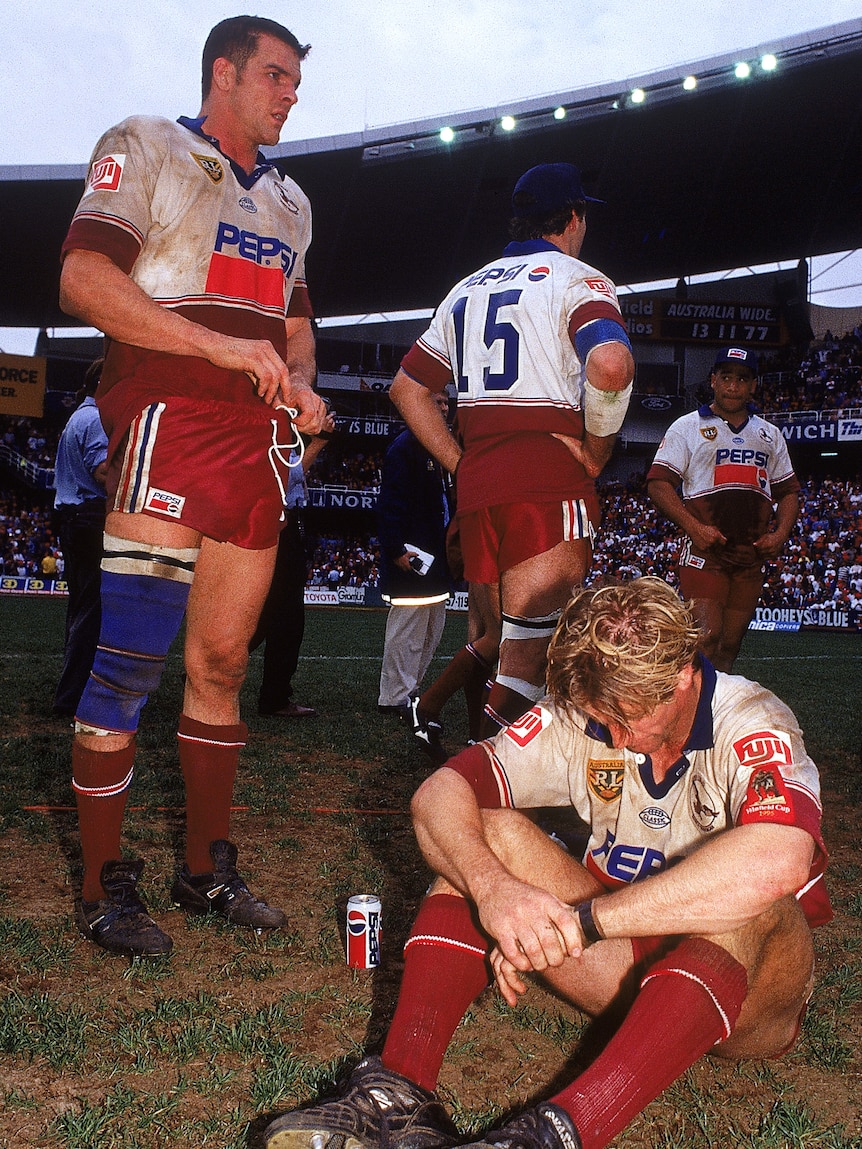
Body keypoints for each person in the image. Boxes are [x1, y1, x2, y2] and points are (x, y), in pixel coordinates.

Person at [263, 577, 830, 1149]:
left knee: (753, 900)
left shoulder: (751, 719)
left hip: (745, 992)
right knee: (485, 834)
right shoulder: (585, 711)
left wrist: (580, 924)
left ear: (681, 676)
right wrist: (496, 893)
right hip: (622, 967)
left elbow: (778, 863)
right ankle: (398, 1091)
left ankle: (552, 1136)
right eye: (597, 713)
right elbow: (438, 794)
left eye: (625, 716)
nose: (610, 733)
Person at [58, 15, 325, 957]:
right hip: (168, 419)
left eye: (298, 79)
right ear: (224, 72)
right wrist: (217, 345)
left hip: (255, 444)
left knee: (220, 667)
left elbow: (295, 326)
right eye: (276, 75)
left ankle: (205, 864)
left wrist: (301, 385)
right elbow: (84, 276)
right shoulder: (148, 145)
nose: (293, 92)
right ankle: (100, 884)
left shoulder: (291, 202)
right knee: (128, 667)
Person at [389, 162, 634, 740]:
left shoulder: (467, 287)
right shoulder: (578, 278)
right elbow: (610, 363)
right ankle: (487, 791)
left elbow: (408, 388)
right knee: (531, 658)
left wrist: (460, 463)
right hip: (547, 478)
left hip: (480, 483)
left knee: (493, 638)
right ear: (574, 218)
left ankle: (458, 744)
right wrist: (597, 452)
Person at [647, 346, 801, 671]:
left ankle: (712, 716)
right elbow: (658, 484)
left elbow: (788, 491)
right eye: (726, 377)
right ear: (713, 380)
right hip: (706, 553)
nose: (733, 386)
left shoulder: (769, 434)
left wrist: (781, 533)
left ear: (753, 385)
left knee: (729, 646)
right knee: (705, 638)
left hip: (750, 556)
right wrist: (694, 528)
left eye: (742, 379)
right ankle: (687, 714)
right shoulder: (686, 427)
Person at [251, 411, 335, 718]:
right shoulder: (274, 429)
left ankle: (209, 668)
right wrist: (319, 441)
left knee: (269, 614)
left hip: (281, 523)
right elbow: (289, 476)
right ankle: (273, 697)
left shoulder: (277, 429)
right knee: (284, 618)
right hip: (280, 523)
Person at [377, 392, 454, 728]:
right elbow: (389, 503)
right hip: (412, 556)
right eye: (436, 402)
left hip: (436, 557)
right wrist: (395, 549)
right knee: (407, 630)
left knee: (431, 632)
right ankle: (393, 697)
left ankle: (410, 691)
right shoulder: (405, 447)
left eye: (446, 402)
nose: (444, 407)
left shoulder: (438, 445)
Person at [52, 358, 109, 718]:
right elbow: (103, 472)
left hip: (72, 518)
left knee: (81, 607)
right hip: (90, 517)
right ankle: (73, 697)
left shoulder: (78, 417)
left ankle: (71, 689)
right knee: (93, 611)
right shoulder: (99, 419)